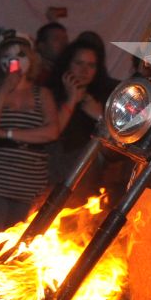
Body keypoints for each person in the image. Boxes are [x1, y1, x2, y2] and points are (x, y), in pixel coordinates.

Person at [0, 31, 80, 244]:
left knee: (16, 254)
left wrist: (7, 134)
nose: (14, 60)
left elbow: (51, 132)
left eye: (20, 54)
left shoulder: (42, 94)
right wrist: (4, 91)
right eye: (8, 55)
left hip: (29, 189)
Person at [49, 35, 113, 189]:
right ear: (67, 64)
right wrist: (71, 100)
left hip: (87, 179)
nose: (84, 70)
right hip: (50, 176)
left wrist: (99, 116)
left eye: (91, 65)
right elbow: (51, 134)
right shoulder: (48, 94)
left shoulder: (106, 96)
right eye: (79, 63)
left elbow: (116, 147)